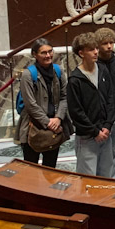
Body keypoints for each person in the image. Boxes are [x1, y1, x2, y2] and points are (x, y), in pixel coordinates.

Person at [67, 32, 115, 177]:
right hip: (88, 137)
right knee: (88, 179)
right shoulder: (75, 79)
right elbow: (76, 112)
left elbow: (110, 99)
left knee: (106, 176)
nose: (96, 52)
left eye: (96, 48)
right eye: (91, 49)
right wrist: (95, 132)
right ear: (81, 53)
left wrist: (107, 126)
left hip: (105, 134)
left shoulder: (103, 70)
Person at [17, 38, 69, 168]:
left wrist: (58, 118)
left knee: (50, 168)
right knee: (31, 168)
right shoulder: (28, 75)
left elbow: (65, 96)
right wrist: (48, 122)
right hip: (33, 127)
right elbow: (30, 105)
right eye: (43, 53)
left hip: (54, 126)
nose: (48, 55)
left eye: (50, 51)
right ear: (35, 54)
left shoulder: (58, 71)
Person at [94, 27, 115, 175]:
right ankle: (103, 180)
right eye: (105, 43)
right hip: (102, 119)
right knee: (102, 153)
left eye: (111, 42)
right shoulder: (94, 65)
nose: (109, 46)